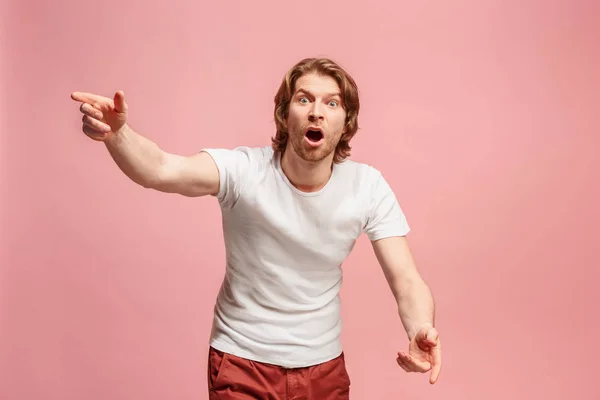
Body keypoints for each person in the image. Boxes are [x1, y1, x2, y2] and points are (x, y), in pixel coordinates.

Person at [71, 57, 442, 399]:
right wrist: (117, 134)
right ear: (284, 114)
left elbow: (407, 279)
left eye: (332, 103)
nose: (316, 112)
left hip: (324, 368)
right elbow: (161, 169)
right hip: (241, 362)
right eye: (304, 99)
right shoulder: (244, 171)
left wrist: (420, 328)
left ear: (346, 121)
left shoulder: (367, 186)